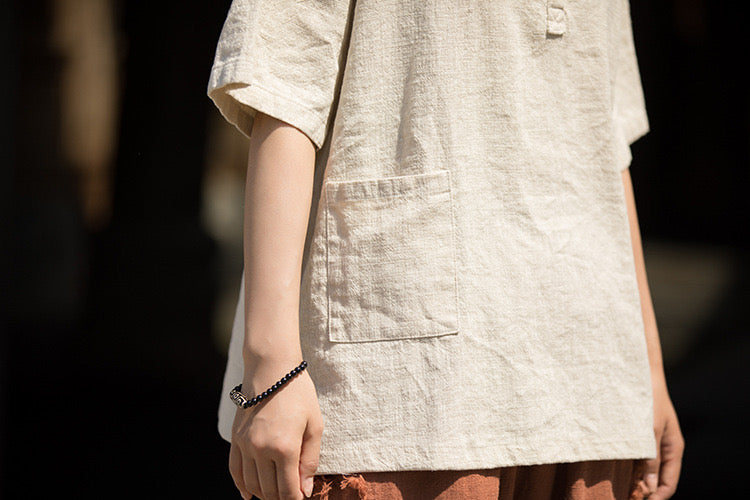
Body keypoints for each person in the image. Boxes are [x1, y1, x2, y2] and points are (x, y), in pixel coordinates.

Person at [206, 1, 684, 499]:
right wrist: (271, 365)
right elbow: (283, 84)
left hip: (590, 381)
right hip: (408, 386)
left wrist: (647, 370)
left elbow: (607, 137)